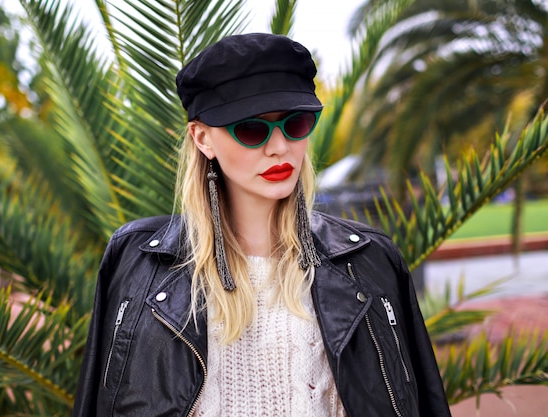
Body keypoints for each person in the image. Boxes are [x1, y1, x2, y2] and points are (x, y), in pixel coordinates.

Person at [71, 33, 451, 417]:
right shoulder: (136, 261)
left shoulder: (370, 260)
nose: (279, 146)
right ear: (203, 138)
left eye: (296, 123)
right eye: (252, 129)